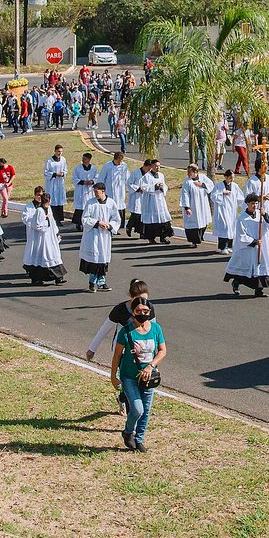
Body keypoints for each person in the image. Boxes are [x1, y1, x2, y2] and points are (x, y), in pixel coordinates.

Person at [111, 296, 165, 451]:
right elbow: (117, 355)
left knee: (146, 410)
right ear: (133, 312)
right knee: (137, 409)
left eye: (145, 311)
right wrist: (113, 376)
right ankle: (128, 432)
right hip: (129, 376)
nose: (142, 314)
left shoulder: (156, 329)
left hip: (148, 377)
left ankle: (139, 439)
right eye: (139, 311)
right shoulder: (126, 331)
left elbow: (162, 350)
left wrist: (151, 366)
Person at [223, 193, 269, 297]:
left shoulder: (261, 215)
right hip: (249, 248)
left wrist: (265, 215)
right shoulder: (242, 218)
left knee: (261, 268)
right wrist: (254, 242)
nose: (255, 206)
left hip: (262, 247)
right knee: (247, 270)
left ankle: (259, 291)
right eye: (252, 204)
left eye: (256, 203)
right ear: (247, 204)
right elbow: (241, 236)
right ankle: (236, 282)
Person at [21, 187, 67, 285]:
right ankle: (37, 278)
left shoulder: (48, 208)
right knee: (40, 256)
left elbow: (52, 221)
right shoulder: (36, 209)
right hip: (38, 237)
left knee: (53, 255)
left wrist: (56, 232)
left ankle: (58, 277)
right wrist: (45, 222)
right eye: (38, 195)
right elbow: (35, 224)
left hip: (49, 237)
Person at [79, 182, 119, 291]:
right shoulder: (91, 203)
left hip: (105, 236)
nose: (95, 193)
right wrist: (97, 223)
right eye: (94, 191)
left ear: (103, 191)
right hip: (93, 235)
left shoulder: (111, 203)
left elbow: (116, 218)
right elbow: (85, 219)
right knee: (94, 259)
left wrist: (110, 225)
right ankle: (92, 282)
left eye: (97, 191)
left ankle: (101, 282)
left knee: (103, 259)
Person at [135, 159, 174, 243]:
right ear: (152, 166)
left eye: (159, 166)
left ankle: (163, 237)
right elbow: (143, 187)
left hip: (160, 200)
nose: (158, 168)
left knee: (163, 218)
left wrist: (162, 187)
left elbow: (165, 185)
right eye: (156, 166)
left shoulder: (161, 175)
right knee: (152, 220)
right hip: (151, 201)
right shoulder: (146, 176)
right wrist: (154, 187)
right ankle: (151, 238)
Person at [179, 164, 214, 247]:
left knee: (203, 221)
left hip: (202, 205)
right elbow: (185, 194)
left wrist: (202, 185)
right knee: (193, 224)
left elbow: (211, 185)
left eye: (190, 172)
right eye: (188, 171)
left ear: (196, 172)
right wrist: (187, 207)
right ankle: (194, 241)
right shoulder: (187, 182)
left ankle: (200, 236)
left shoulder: (203, 177)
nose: (188, 173)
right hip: (192, 206)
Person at [209, 170, 243, 253]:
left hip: (232, 210)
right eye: (230, 178)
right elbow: (213, 196)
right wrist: (222, 193)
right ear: (226, 177)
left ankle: (229, 246)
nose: (232, 179)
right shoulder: (219, 186)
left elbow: (240, 198)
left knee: (232, 227)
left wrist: (244, 205)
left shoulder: (235, 186)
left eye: (233, 178)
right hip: (222, 210)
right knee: (224, 227)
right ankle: (222, 247)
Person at [98, 151, 131, 232]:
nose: (120, 162)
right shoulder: (107, 166)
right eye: (119, 160)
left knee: (120, 206)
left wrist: (129, 187)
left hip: (120, 191)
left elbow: (128, 178)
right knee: (111, 206)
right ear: (115, 159)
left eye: (121, 160)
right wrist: (101, 189)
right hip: (110, 190)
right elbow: (101, 178)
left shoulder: (124, 166)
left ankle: (119, 226)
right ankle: (110, 226)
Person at [70, 151, 99, 231]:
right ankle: (78, 223)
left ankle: (89, 223)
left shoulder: (94, 168)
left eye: (85, 159)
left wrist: (92, 181)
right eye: (83, 158)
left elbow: (97, 177)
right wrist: (83, 182)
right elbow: (74, 178)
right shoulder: (78, 168)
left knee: (88, 206)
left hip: (89, 190)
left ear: (89, 160)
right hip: (80, 189)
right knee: (80, 207)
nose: (83, 160)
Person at [43, 145, 68, 225]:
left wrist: (63, 173)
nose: (59, 153)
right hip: (52, 183)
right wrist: (54, 174)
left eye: (61, 152)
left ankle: (59, 220)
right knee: (52, 200)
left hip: (60, 182)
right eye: (58, 151)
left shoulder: (63, 159)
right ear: (55, 151)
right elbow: (46, 171)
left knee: (59, 201)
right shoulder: (49, 160)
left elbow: (65, 169)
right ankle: (52, 219)